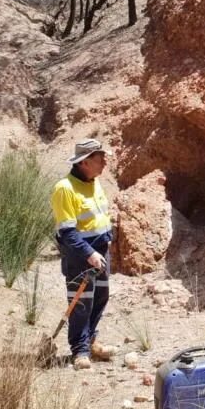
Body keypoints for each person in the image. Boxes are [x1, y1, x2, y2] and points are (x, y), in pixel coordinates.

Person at [51, 139, 118, 370]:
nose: (104, 164)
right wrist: (89, 254)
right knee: (81, 302)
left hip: (101, 251)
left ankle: (91, 340)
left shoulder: (94, 183)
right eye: (100, 159)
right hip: (80, 255)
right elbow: (67, 232)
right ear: (85, 162)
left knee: (100, 296)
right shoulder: (65, 189)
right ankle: (80, 350)